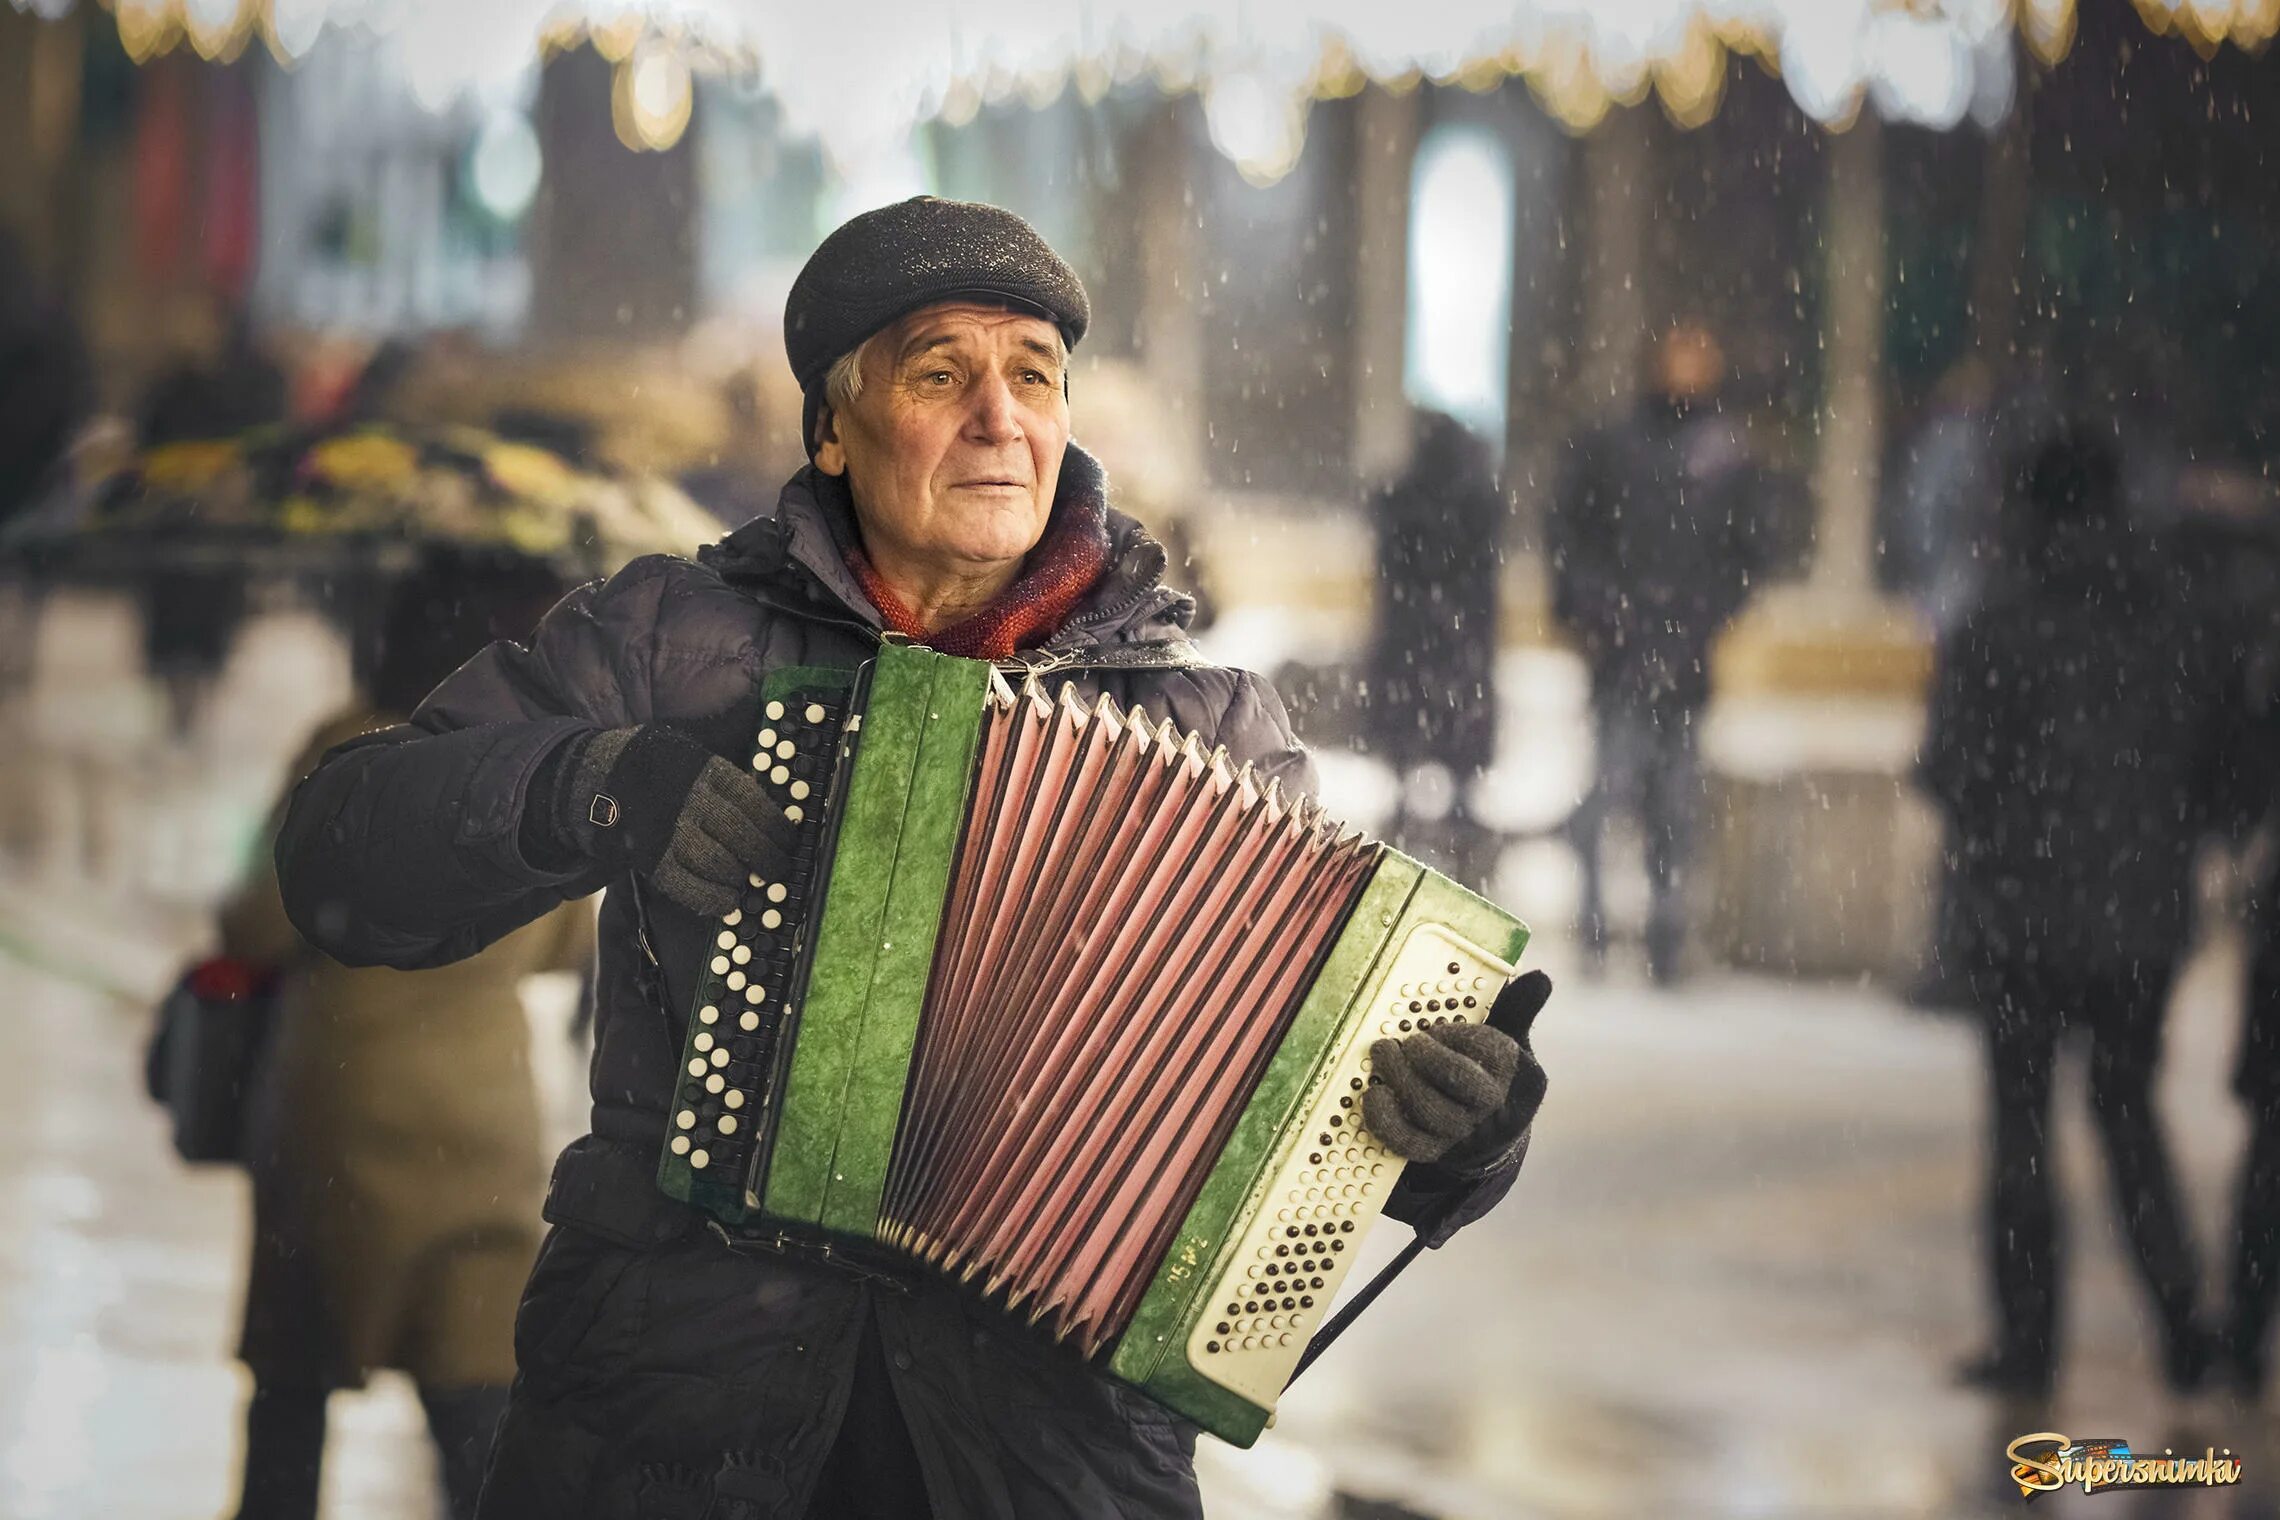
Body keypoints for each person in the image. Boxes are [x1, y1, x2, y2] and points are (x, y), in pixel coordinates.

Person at [271, 197, 1554, 1520]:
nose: (1001, 416)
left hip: (1043, 1461)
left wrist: (1463, 1139)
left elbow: (1299, 1115)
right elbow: (336, 860)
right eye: (942, 374)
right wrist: (589, 782)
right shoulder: (672, 639)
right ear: (833, 427)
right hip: (674, 1424)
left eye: (1035, 378)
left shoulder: (1211, 726)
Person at [217, 554, 595, 1520]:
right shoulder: (540, 762)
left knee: (295, 1393)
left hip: (339, 1106)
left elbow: (263, 923)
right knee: (475, 1406)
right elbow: (559, 947)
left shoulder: (349, 748)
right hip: (482, 1121)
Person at [1919, 424, 2236, 1400]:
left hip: (2021, 917)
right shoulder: (2173, 620)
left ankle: (2028, 1344)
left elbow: (1948, 770)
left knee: (2021, 1126)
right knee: (2127, 1108)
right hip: (2138, 920)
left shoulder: (1997, 622)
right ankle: (2185, 1319)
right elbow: (2219, 772)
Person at [1548, 322, 1760, 983]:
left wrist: (1700, 620)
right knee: (1610, 797)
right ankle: (1594, 931)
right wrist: (1601, 615)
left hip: (1684, 664)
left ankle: (1665, 940)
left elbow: (1746, 558)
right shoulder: (1615, 445)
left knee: (1676, 807)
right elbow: (1570, 537)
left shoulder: (1725, 455)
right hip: (1622, 659)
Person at [1364, 408, 1503, 890]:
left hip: (1412, 653)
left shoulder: (1402, 500)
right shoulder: (1478, 505)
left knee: (1409, 792)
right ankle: (1465, 879)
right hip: (1457, 656)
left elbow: (1391, 576)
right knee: (1455, 793)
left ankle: (1398, 876)